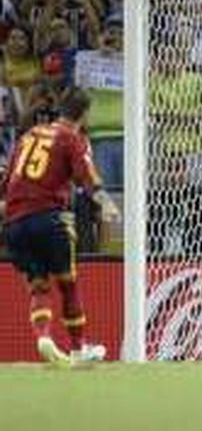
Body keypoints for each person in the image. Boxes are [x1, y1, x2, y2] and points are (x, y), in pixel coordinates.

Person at [0, 87, 120, 366]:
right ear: (85, 114)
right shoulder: (71, 138)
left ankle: (43, 337)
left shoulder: (30, 134)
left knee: (39, 287)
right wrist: (108, 204)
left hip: (15, 223)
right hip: (50, 219)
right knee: (68, 285)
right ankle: (78, 350)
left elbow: (8, 182)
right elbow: (89, 180)